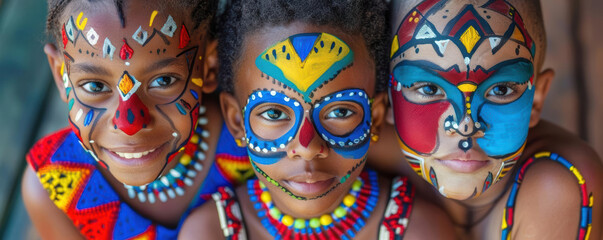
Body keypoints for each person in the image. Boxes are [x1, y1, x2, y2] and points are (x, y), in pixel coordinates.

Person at [179, 0, 456, 239]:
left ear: (377, 116)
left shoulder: (418, 230)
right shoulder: (210, 232)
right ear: (237, 121)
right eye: (274, 113)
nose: (308, 146)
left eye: (340, 112)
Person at [21, 0, 253, 239]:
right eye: (95, 85)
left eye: (164, 81)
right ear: (61, 75)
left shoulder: (258, 141)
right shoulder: (53, 188)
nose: (129, 124)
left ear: (210, 65)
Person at [386, 0, 603, 238]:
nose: (465, 125)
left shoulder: (557, 187)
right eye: (428, 89)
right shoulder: (354, 152)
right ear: (385, 99)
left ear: (537, 99)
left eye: (500, 90)